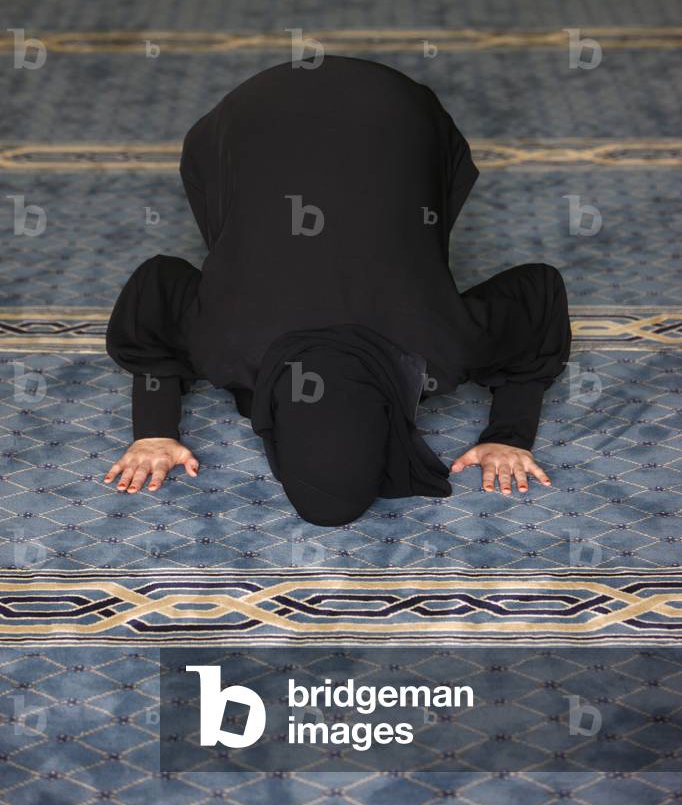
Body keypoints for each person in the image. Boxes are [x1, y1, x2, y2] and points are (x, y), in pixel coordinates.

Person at [103, 57, 571, 526]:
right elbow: (158, 289)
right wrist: (509, 433)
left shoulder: (441, 350)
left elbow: (537, 296)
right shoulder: (225, 347)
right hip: (337, 112)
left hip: (308, 113)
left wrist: (154, 429)